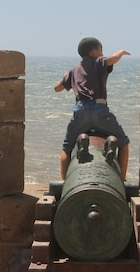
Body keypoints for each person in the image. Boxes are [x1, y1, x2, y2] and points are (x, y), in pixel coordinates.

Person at [54, 37, 131, 180]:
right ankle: (122, 179)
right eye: (101, 49)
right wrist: (122, 51)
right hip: (100, 110)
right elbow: (113, 58)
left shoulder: (74, 70)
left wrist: (65, 77)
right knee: (124, 143)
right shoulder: (98, 62)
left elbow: (56, 88)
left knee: (66, 147)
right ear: (93, 52)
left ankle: (64, 182)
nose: (102, 53)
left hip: (81, 111)